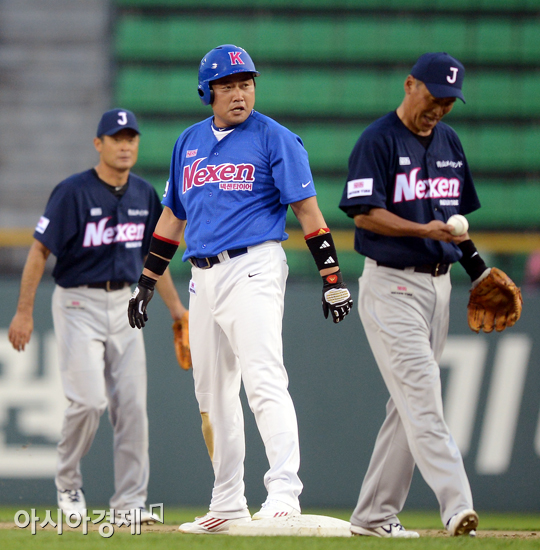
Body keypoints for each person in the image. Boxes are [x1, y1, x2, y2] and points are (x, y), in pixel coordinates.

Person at [127, 44, 353, 534]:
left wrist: (332, 277)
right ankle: (227, 500)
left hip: (253, 266)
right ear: (207, 92)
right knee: (211, 393)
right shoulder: (187, 141)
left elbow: (308, 212)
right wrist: (146, 281)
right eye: (227, 84)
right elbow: (171, 217)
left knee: (264, 379)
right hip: (201, 277)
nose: (239, 92)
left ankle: (284, 493)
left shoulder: (275, 138)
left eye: (246, 82)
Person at [8, 108, 187, 524]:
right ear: (98, 144)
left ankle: (130, 505)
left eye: (131, 138)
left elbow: (152, 258)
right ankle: (68, 482)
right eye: (116, 137)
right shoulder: (72, 192)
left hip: (124, 303)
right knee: (88, 402)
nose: (125, 145)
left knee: (132, 408)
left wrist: (177, 309)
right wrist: (23, 312)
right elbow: (39, 251)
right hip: (77, 303)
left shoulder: (144, 194)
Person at [339, 53, 485, 538]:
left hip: (439, 285)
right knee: (423, 394)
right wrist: (420, 227)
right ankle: (456, 504)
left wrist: (479, 271)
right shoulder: (377, 140)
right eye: (433, 96)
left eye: (449, 101)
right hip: (391, 284)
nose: (440, 108)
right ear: (409, 85)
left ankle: (373, 516)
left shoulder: (449, 141)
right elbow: (363, 213)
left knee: (406, 406)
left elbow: (455, 223)